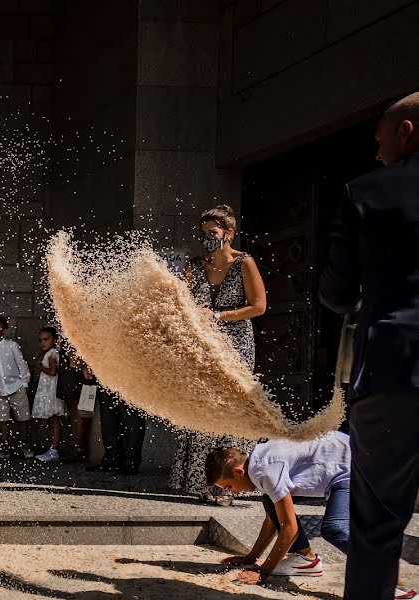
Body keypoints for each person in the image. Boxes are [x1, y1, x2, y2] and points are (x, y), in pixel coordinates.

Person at [319, 92, 419, 600]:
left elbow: (335, 293)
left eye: (379, 135)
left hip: (393, 372)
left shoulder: (367, 191)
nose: (375, 147)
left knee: (377, 521)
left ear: (405, 131)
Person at [206, 439, 415, 598]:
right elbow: (273, 520)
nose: (232, 492)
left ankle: (395, 585)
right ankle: (307, 561)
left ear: (238, 471)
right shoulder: (259, 462)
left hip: (355, 467)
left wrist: (262, 573)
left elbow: (290, 529)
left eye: (228, 486)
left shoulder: (266, 470)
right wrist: (251, 558)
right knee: (270, 502)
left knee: (335, 528)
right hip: (346, 463)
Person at [170, 204, 267, 502]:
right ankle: (202, 482)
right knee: (202, 408)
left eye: (212, 233)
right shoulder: (194, 265)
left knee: (228, 411)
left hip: (235, 345)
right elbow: (183, 304)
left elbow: (258, 306)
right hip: (202, 346)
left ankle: (230, 484)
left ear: (228, 233)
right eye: (203, 234)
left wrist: (216, 316)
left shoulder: (244, 263)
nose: (207, 239)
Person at [0, 315, 33, 459]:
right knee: (2, 419)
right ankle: (4, 445)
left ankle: (25, 443)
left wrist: (25, 383)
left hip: (16, 386)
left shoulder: (12, 345)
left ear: (4, 328)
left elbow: (21, 364)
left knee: (23, 417)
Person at [89, 386, 147, 475]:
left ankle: (130, 462)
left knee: (130, 413)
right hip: (107, 375)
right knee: (108, 413)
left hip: (131, 376)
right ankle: (112, 459)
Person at [31, 326, 64, 462]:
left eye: (46, 339)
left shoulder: (52, 354)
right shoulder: (49, 353)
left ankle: (54, 449)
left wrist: (38, 365)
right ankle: (52, 448)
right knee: (51, 421)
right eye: (40, 340)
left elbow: (52, 372)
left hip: (50, 391)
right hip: (47, 389)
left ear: (54, 340)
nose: (42, 343)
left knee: (54, 420)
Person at [56, 342, 90, 462]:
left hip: (77, 359)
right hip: (68, 359)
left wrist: (79, 361)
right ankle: (74, 445)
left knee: (79, 408)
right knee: (72, 407)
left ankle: (78, 446)